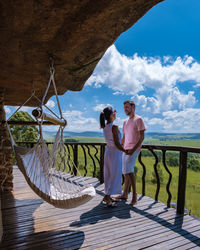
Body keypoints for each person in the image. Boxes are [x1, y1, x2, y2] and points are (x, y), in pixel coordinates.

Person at [117, 100, 146, 205]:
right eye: (124, 108)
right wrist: (120, 147)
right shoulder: (125, 122)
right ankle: (125, 193)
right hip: (125, 149)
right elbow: (124, 136)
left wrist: (133, 150)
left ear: (133, 107)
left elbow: (142, 137)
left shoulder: (139, 119)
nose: (125, 109)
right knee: (125, 171)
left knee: (129, 171)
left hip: (134, 149)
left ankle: (134, 196)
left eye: (127, 107)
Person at [100, 106, 125, 207]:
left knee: (109, 174)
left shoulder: (105, 126)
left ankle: (108, 195)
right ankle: (107, 196)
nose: (116, 113)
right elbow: (117, 143)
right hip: (115, 153)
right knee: (114, 174)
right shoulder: (114, 127)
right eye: (114, 111)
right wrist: (125, 150)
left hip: (108, 153)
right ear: (111, 115)